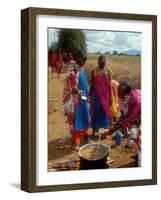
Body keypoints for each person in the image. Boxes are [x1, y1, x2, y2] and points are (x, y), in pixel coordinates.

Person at [62, 49, 90, 150]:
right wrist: (78, 92)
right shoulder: (72, 69)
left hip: (83, 98)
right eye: (83, 60)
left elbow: (84, 83)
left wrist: (87, 94)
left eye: (85, 61)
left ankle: (86, 136)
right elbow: (71, 86)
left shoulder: (80, 68)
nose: (84, 63)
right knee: (76, 120)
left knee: (85, 116)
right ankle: (76, 142)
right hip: (75, 101)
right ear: (77, 58)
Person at [118, 80, 141, 166]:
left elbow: (126, 116)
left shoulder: (133, 101)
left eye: (118, 91)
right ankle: (139, 154)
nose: (117, 92)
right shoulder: (133, 94)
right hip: (136, 123)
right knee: (136, 138)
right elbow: (124, 116)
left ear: (124, 92)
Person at [89, 55, 111, 135]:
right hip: (96, 96)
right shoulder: (94, 71)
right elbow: (91, 82)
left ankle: (105, 131)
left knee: (105, 112)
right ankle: (95, 130)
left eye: (103, 63)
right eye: (100, 63)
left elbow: (109, 85)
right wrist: (89, 94)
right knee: (96, 112)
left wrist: (111, 98)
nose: (101, 65)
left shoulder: (108, 71)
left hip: (105, 97)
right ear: (98, 62)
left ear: (105, 63)